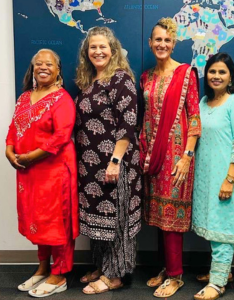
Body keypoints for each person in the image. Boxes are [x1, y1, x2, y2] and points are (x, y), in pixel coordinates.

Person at [73, 26, 142, 295]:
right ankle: (102, 266)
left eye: (103, 46)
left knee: (115, 219)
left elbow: (128, 123)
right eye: (93, 47)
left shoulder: (120, 78)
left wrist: (115, 161)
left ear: (112, 50)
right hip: (90, 165)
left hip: (115, 162)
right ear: (86, 52)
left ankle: (116, 274)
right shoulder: (88, 80)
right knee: (98, 220)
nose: (98, 51)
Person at [6, 49, 77, 297]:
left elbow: (61, 137)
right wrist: (9, 149)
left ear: (58, 70)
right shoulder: (25, 97)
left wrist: (30, 156)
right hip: (28, 173)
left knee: (55, 222)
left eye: (49, 64)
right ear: (33, 68)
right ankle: (43, 267)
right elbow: (14, 127)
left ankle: (59, 275)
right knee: (37, 219)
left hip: (54, 171)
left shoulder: (62, 99)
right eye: (38, 63)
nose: (43, 67)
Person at [139, 17, 201, 298]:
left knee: (172, 214)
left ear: (174, 44)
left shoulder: (186, 73)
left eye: (167, 40)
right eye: (157, 39)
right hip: (153, 155)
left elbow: (194, 117)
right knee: (158, 216)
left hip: (178, 155)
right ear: (150, 43)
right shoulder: (147, 77)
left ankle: (176, 276)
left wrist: (187, 156)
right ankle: (166, 268)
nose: (162, 44)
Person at [191, 52, 234, 300]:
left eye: (222, 72)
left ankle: (217, 283)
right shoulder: (204, 101)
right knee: (211, 227)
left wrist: (230, 179)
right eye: (212, 71)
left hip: (227, 176)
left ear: (231, 76)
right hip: (205, 176)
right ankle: (222, 272)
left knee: (221, 229)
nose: (216, 76)